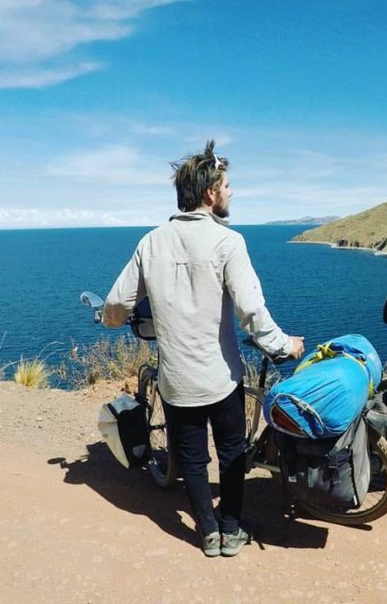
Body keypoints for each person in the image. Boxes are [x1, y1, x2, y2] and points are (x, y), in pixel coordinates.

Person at [103, 140, 305, 557]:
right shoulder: (228, 243)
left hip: (176, 383)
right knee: (231, 452)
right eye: (228, 185)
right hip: (221, 379)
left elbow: (118, 304)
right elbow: (252, 311)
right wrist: (285, 346)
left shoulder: (151, 242)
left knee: (191, 458)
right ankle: (231, 531)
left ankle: (208, 534)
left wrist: (111, 320)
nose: (232, 193)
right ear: (210, 193)